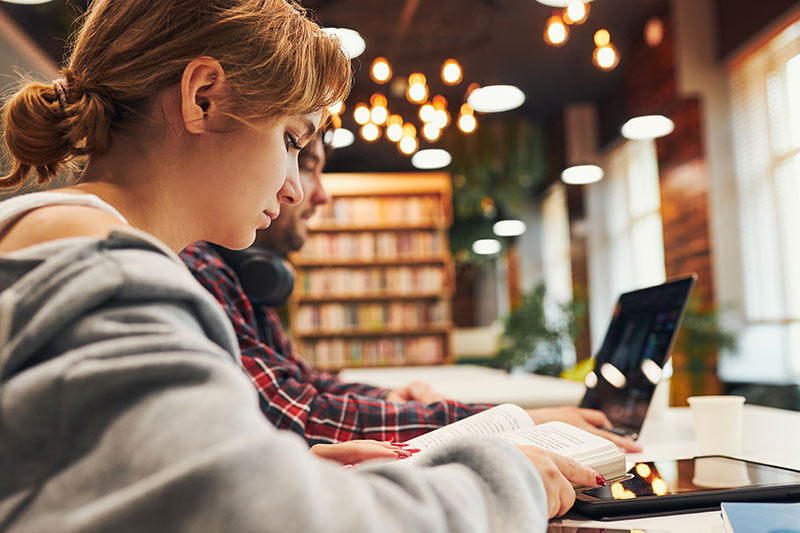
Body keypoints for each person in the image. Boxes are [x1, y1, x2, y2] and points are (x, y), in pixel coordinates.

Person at [0, 1, 603, 530]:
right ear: (203, 98)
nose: (294, 188)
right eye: (292, 139)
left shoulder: (63, 247)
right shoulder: (105, 272)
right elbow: (259, 520)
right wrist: (502, 480)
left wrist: (289, 468)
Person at [180, 132, 643, 453]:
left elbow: (304, 386)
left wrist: (393, 399)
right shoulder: (195, 269)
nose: (311, 194)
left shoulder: (230, 276)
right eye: (299, 155)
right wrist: (505, 424)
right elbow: (294, 416)